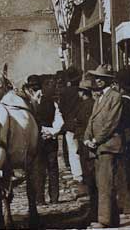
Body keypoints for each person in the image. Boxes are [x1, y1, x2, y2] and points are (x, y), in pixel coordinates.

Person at [83, 65, 123, 228]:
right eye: (96, 77)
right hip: (99, 146)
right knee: (102, 183)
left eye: (101, 78)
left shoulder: (114, 97)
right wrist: (87, 137)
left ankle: (104, 220)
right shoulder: (99, 98)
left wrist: (96, 140)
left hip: (108, 145)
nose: (97, 80)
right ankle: (111, 218)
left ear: (108, 80)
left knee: (105, 183)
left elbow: (111, 122)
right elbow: (92, 120)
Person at [29, 74, 64, 205]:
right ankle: (41, 198)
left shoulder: (50, 102)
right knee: (42, 169)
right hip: (39, 139)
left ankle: (52, 197)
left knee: (49, 168)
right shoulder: (30, 102)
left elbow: (58, 120)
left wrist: (50, 132)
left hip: (47, 139)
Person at [116, 69, 130, 219]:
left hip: (127, 140)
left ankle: (129, 207)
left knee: (124, 173)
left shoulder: (123, 100)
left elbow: (124, 123)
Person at [76, 80, 98, 222]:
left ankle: (94, 210)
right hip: (88, 145)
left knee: (91, 179)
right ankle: (94, 209)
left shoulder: (85, 106)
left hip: (86, 146)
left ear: (83, 92)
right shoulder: (94, 104)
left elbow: (80, 124)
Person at [59, 68, 83, 184]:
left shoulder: (64, 92)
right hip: (81, 124)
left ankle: (77, 175)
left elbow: (61, 109)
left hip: (69, 124)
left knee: (73, 150)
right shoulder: (81, 91)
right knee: (82, 149)